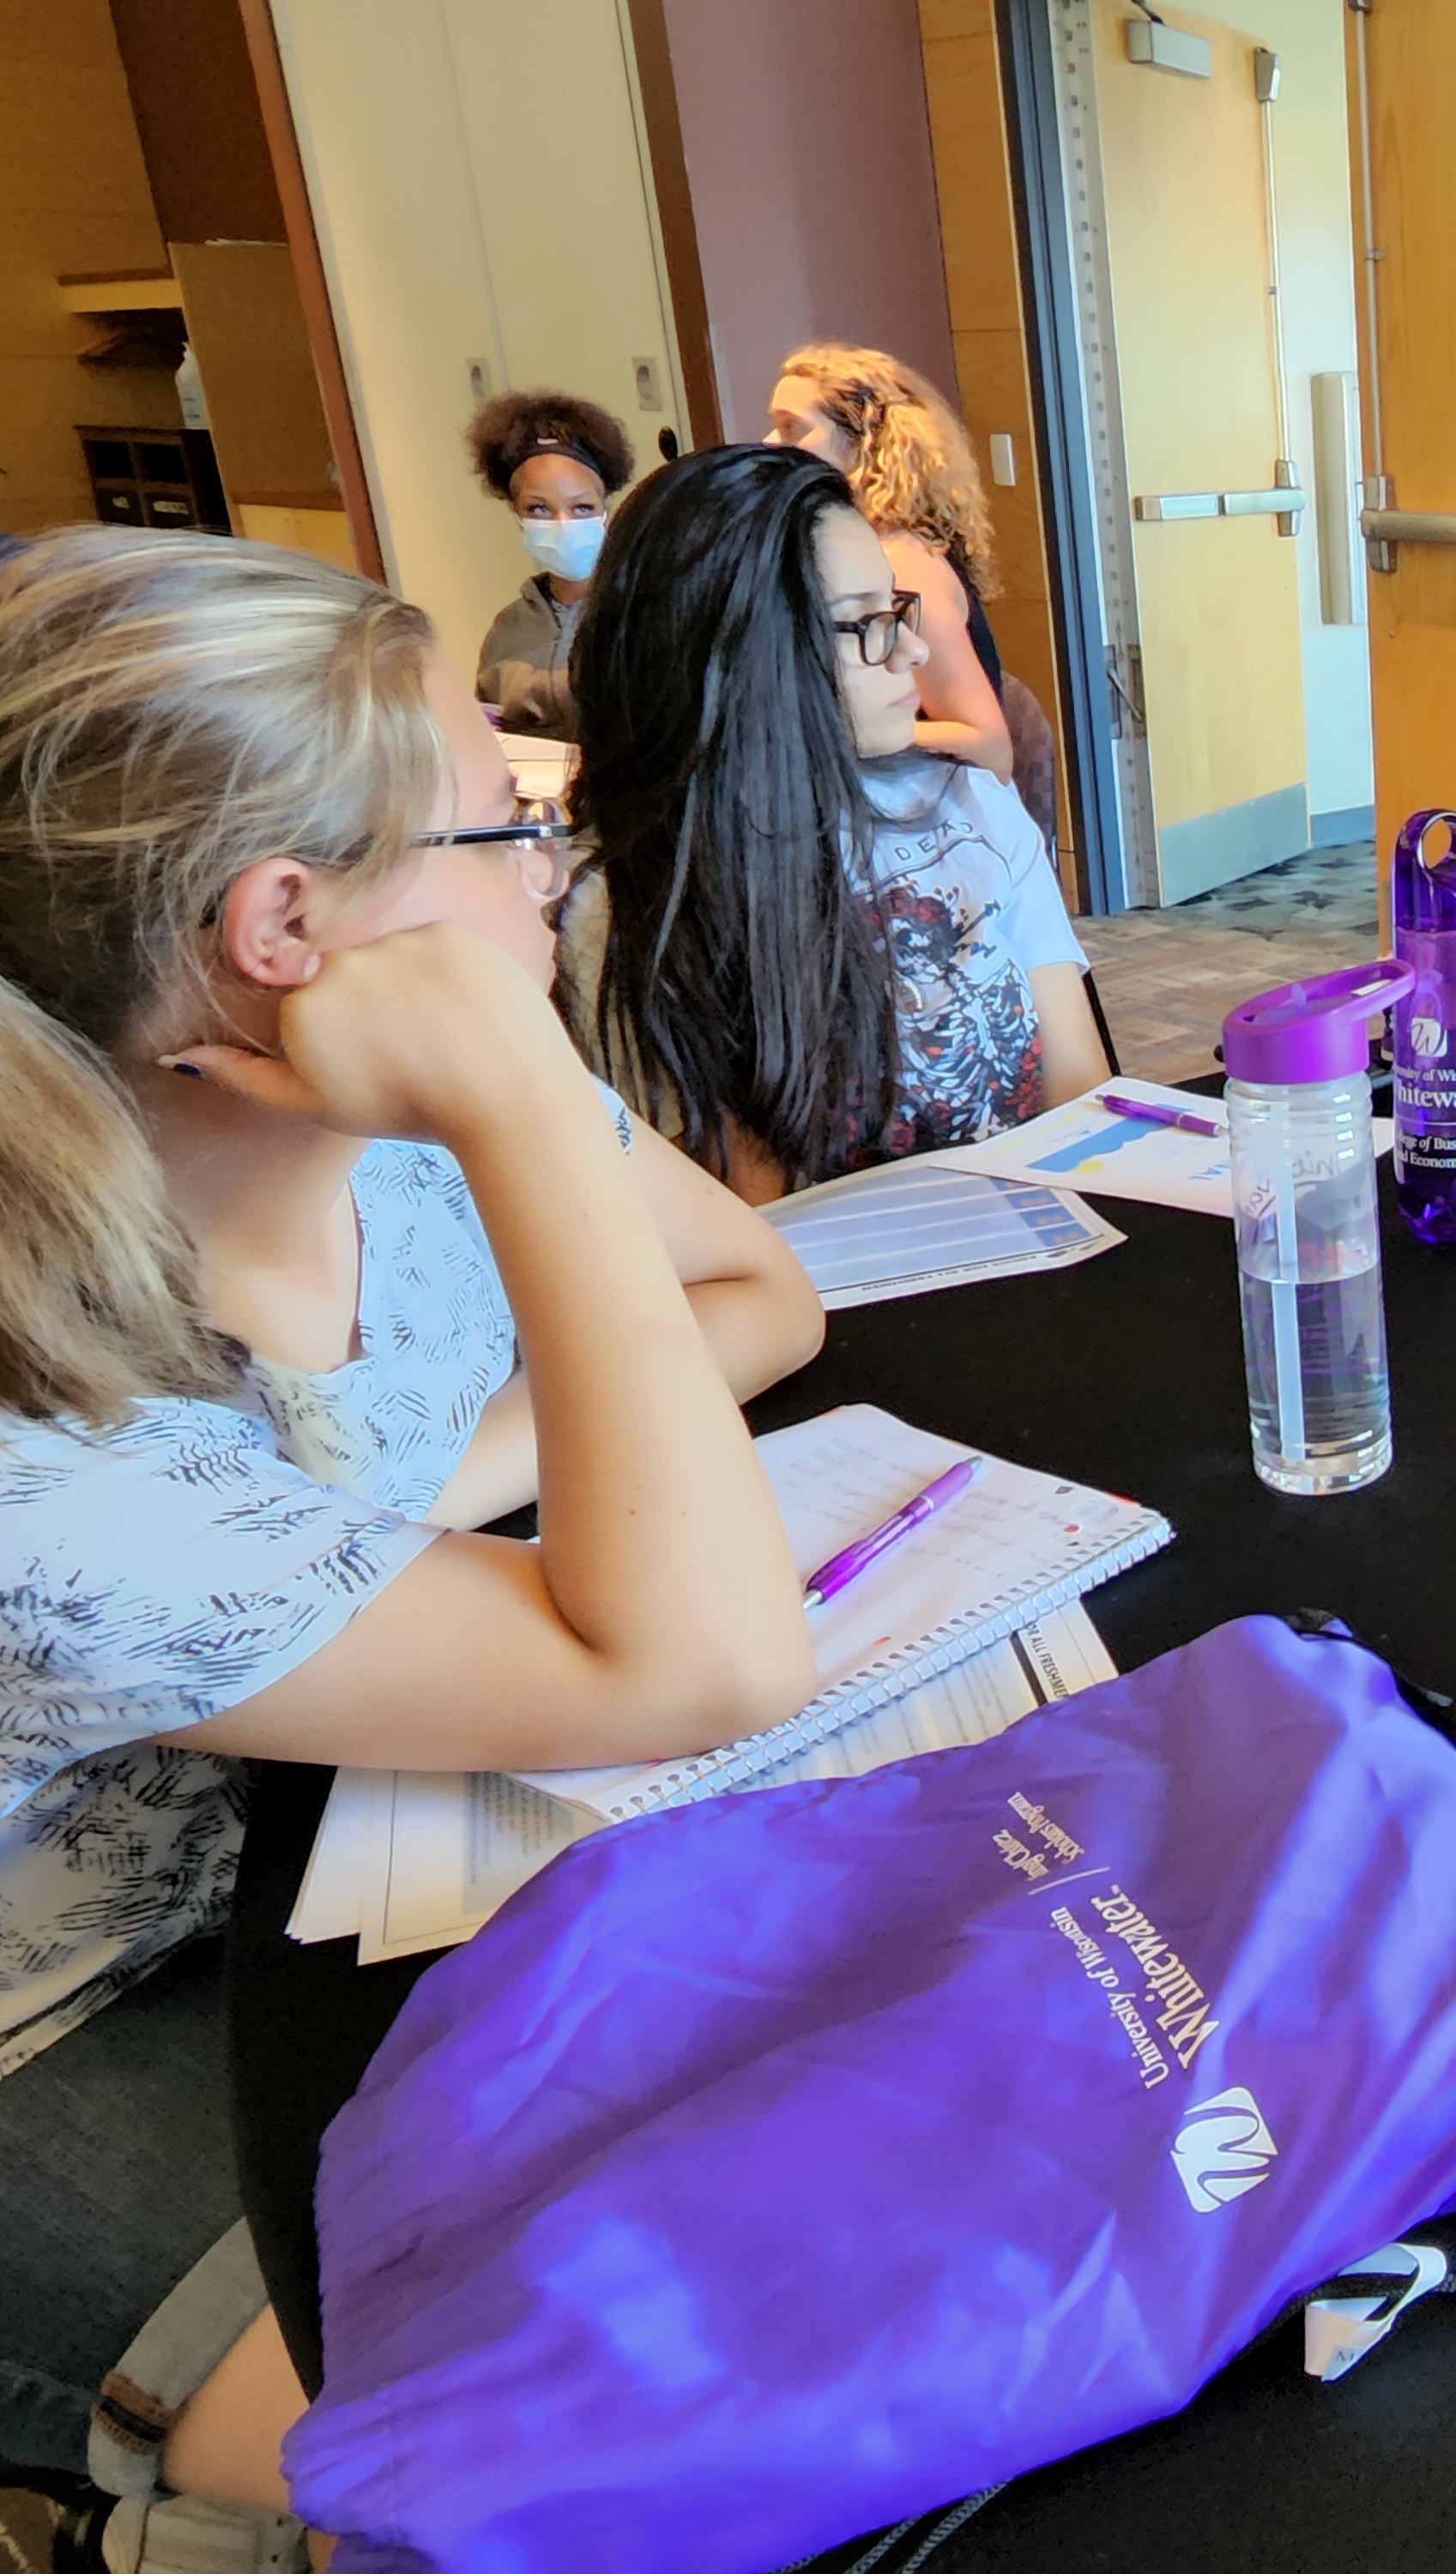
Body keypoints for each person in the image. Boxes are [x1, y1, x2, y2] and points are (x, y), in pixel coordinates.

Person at [0, 529, 825, 2548]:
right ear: (290, 923)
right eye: (498, 822)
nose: (549, 866)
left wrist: (407, 1493)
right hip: (105, 2008)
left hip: (346, 1849)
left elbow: (760, 1294)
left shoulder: (378, 1127)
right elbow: (699, 1661)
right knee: (595, 2397)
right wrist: (536, 1121)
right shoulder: (53, 1448)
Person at [569, 442, 1109, 1203]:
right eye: (865, 623)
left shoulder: (972, 810)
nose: (912, 651)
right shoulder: (626, 900)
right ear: (743, 653)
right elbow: (747, 1216)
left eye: (894, 608)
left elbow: (1082, 1098)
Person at [760, 344, 1014, 780]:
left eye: (791, 428)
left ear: (864, 440)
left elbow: (989, 748)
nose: (769, 443)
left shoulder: (903, 561)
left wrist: (835, 733)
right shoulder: (864, 549)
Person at [463, 389, 634, 739]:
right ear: (517, 514)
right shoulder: (508, 631)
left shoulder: (643, 613)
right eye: (539, 509)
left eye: (581, 508)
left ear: (606, 508)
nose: (562, 524)